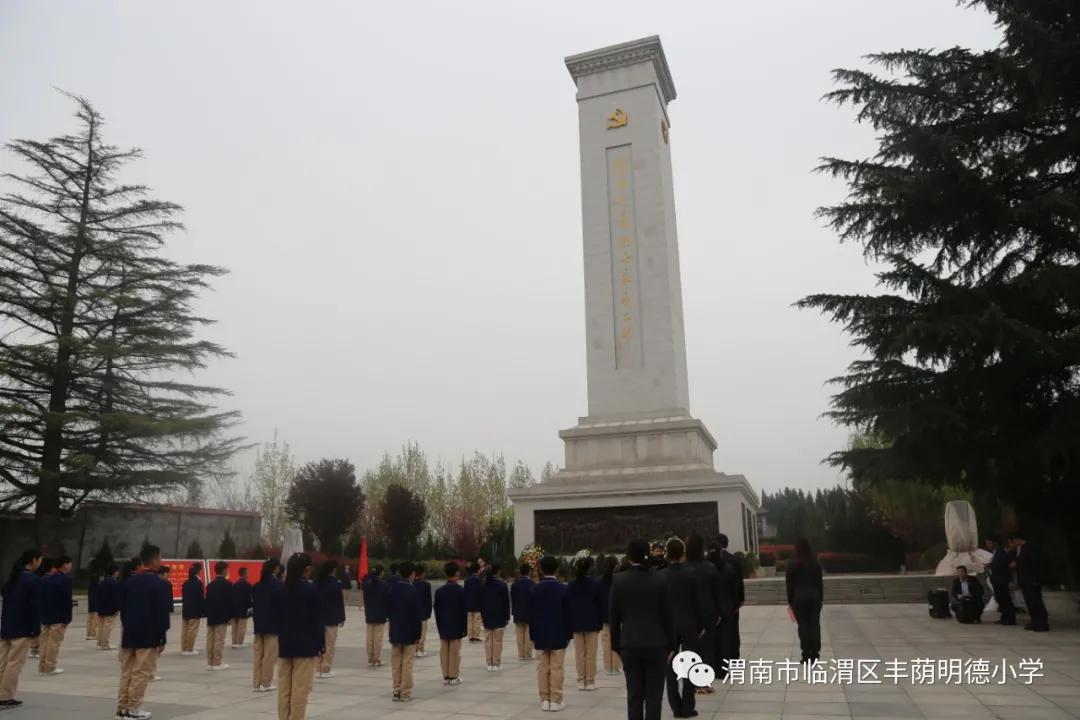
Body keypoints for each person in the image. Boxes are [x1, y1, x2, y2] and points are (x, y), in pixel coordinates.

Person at [611, 538, 675, 720]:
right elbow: (668, 616)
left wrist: (616, 646)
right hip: (657, 644)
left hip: (630, 645)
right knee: (654, 698)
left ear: (629, 557)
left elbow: (614, 618)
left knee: (634, 696)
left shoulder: (619, 581)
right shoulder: (660, 579)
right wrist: (671, 645)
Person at [115, 544, 171, 720]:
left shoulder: (128, 582)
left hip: (129, 633)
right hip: (149, 635)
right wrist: (162, 637)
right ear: (154, 561)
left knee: (127, 672)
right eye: (160, 558)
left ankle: (122, 708)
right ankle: (133, 708)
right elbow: (162, 614)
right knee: (141, 672)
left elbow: (122, 609)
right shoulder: (160, 585)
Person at [276, 553, 323, 720]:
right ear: (307, 569)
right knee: (300, 689)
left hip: (285, 643)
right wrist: (320, 645)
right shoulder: (311, 589)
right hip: (305, 645)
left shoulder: (281, 588)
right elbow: (317, 620)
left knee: (284, 688)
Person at [661, 538, 702, 718]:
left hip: (668, 626)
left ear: (667, 554)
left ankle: (675, 706)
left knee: (670, 666)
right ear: (683, 554)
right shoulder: (692, 574)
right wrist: (701, 625)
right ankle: (688, 706)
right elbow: (699, 602)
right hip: (689, 624)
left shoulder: (660, 576)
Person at [0, 549, 43, 710]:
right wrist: (35, 630)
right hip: (22, 627)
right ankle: (5, 697)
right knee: (14, 664)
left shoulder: (13, 577)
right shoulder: (32, 579)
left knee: (2, 662)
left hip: (7, 626)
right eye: (39, 560)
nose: (40, 564)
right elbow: (34, 607)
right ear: (33, 560)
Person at [530, 555, 572, 712]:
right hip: (558, 633)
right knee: (556, 667)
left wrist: (533, 635)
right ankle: (555, 699)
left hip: (540, 634)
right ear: (557, 569)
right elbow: (568, 614)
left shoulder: (534, 589)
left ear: (541, 569)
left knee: (542, 667)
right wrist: (569, 634)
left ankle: (545, 699)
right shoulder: (563, 589)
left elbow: (531, 615)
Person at [685, 534, 721, 693]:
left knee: (690, 649)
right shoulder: (710, 568)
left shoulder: (683, 569)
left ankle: (692, 682)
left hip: (688, 615)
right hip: (707, 613)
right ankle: (704, 682)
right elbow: (717, 593)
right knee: (707, 648)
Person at [566, 555, 602, 691]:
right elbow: (599, 605)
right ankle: (590, 680)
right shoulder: (595, 584)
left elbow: (567, 604)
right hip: (591, 623)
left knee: (579, 653)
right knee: (591, 654)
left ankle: (581, 680)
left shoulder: (571, 585)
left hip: (577, 623)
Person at [785, 537, 824, 664]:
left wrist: (790, 601)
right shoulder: (815, 564)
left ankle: (806, 654)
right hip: (814, 598)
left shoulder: (792, 564)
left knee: (803, 626)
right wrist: (820, 598)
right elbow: (819, 583)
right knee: (814, 625)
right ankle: (815, 653)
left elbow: (789, 585)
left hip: (799, 599)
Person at [387, 561, 421, 702]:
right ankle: (405, 691)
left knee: (396, 662)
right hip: (409, 631)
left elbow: (388, 609)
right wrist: (418, 634)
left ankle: (396, 689)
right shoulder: (412, 591)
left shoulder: (392, 589)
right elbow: (416, 615)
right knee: (407, 663)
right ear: (412, 574)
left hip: (395, 629)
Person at [37, 556, 73, 676]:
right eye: (69, 564)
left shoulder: (45, 578)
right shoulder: (64, 579)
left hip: (46, 615)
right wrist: (68, 617)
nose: (70, 566)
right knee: (54, 643)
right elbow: (66, 600)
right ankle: (50, 667)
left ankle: (42, 666)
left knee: (44, 642)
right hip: (58, 616)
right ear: (64, 565)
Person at [433, 561, 466, 686]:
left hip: (443, 624)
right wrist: (464, 628)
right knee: (454, 651)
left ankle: (446, 675)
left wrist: (439, 625)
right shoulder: (460, 590)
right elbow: (463, 610)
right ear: (457, 573)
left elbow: (436, 609)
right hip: (456, 625)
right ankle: (454, 675)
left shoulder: (439, 591)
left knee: (444, 651)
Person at [252, 559, 283, 692]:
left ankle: (257, 682)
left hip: (259, 624)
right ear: (275, 569)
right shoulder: (279, 585)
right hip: (273, 625)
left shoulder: (257, 586)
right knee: (270, 655)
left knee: (258, 654)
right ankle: (266, 682)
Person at [715, 534, 745, 662]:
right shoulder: (734, 560)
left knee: (719, 630)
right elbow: (739, 581)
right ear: (726, 544)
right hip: (733, 600)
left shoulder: (711, 560)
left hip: (717, 601)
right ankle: (734, 655)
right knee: (734, 628)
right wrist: (741, 599)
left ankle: (721, 655)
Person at [1010, 532, 1049, 631]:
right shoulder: (1021, 549)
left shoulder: (1029, 548)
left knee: (1036, 602)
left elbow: (1035, 564)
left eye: (1014, 540)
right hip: (1025, 581)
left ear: (1019, 539)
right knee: (1030, 603)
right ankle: (1035, 622)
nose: (1013, 542)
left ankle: (1042, 624)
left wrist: (1036, 579)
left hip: (1031, 581)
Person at [316, 560, 344, 679]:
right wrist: (341, 618)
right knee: (330, 645)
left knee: (319, 643)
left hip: (319, 618)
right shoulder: (336, 584)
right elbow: (339, 602)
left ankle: (318, 667)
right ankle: (326, 668)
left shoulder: (318, 583)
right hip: (331, 619)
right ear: (333, 570)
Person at [480, 563, 510, 671]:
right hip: (499, 615)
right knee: (497, 640)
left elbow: (481, 602)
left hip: (487, 615)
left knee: (488, 640)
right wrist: (507, 617)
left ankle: (489, 663)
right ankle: (496, 663)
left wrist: (482, 616)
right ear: (498, 571)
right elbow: (506, 603)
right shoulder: (502, 585)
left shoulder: (483, 585)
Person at [205, 560, 232, 670]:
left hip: (211, 615)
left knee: (210, 639)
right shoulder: (227, 584)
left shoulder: (210, 585)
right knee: (219, 639)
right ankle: (217, 662)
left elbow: (207, 600)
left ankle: (210, 662)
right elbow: (230, 602)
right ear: (224, 570)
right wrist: (230, 616)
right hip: (222, 615)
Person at [984, 538, 1016, 625]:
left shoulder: (1000, 552)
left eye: (989, 543)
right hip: (996, 579)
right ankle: (1004, 617)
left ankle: (1010, 619)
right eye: (987, 543)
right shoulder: (995, 552)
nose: (987, 545)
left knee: (1005, 599)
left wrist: (990, 565)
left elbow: (1000, 564)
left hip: (1001, 580)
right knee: (1000, 599)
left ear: (995, 543)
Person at [361, 565, 388, 666]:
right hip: (381, 614)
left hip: (369, 613)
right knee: (378, 638)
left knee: (369, 637)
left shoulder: (366, 585)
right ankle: (377, 658)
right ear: (380, 573)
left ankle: (370, 657)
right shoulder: (384, 585)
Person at [599, 557, 620, 675]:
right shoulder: (619, 580)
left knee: (606, 642)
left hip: (604, 615)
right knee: (616, 640)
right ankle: (616, 666)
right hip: (617, 615)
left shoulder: (600, 581)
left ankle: (608, 666)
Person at [510, 563, 535, 661]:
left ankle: (521, 654)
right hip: (529, 612)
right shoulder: (533, 584)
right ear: (529, 572)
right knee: (528, 634)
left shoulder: (514, 585)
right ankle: (527, 654)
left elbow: (513, 599)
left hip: (518, 611)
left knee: (519, 634)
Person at [180, 563, 206, 655]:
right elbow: (200, 598)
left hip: (186, 609)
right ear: (199, 571)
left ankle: (184, 648)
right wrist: (203, 610)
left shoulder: (186, 583)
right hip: (195, 610)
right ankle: (189, 649)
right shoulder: (198, 583)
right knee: (192, 630)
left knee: (185, 629)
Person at [97, 563, 122, 650]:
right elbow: (116, 597)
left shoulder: (102, 581)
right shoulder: (114, 583)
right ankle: (105, 644)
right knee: (107, 626)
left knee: (101, 626)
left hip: (101, 607)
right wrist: (117, 608)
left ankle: (99, 643)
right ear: (115, 572)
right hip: (110, 608)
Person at [231, 566, 253, 649]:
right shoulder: (247, 584)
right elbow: (249, 598)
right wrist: (250, 607)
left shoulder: (234, 584)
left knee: (234, 627)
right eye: (248, 573)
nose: (249, 574)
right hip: (243, 609)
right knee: (241, 627)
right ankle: (240, 642)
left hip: (234, 609)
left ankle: (234, 642)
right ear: (245, 574)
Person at [413, 564, 433, 658]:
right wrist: (429, 612)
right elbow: (428, 600)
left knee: (414, 631)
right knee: (422, 632)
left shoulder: (411, 584)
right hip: (423, 612)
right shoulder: (426, 585)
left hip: (413, 612)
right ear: (422, 574)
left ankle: (415, 648)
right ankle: (420, 649)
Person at [464, 562, 483, 643]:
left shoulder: (467, 580)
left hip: (469, 603)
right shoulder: (480, 580)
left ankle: (470, 636)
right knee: (477, 620)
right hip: (478, 603)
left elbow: (465, 592)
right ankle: (476, 636)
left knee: (470, 620)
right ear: (478, 570)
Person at [86, 570, 101, 641]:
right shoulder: (99, 585)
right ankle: (93, 634)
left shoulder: (90, 585)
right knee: (95, 620)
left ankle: (88, 633)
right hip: (96, 605)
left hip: (90, 605)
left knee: (89, 620)